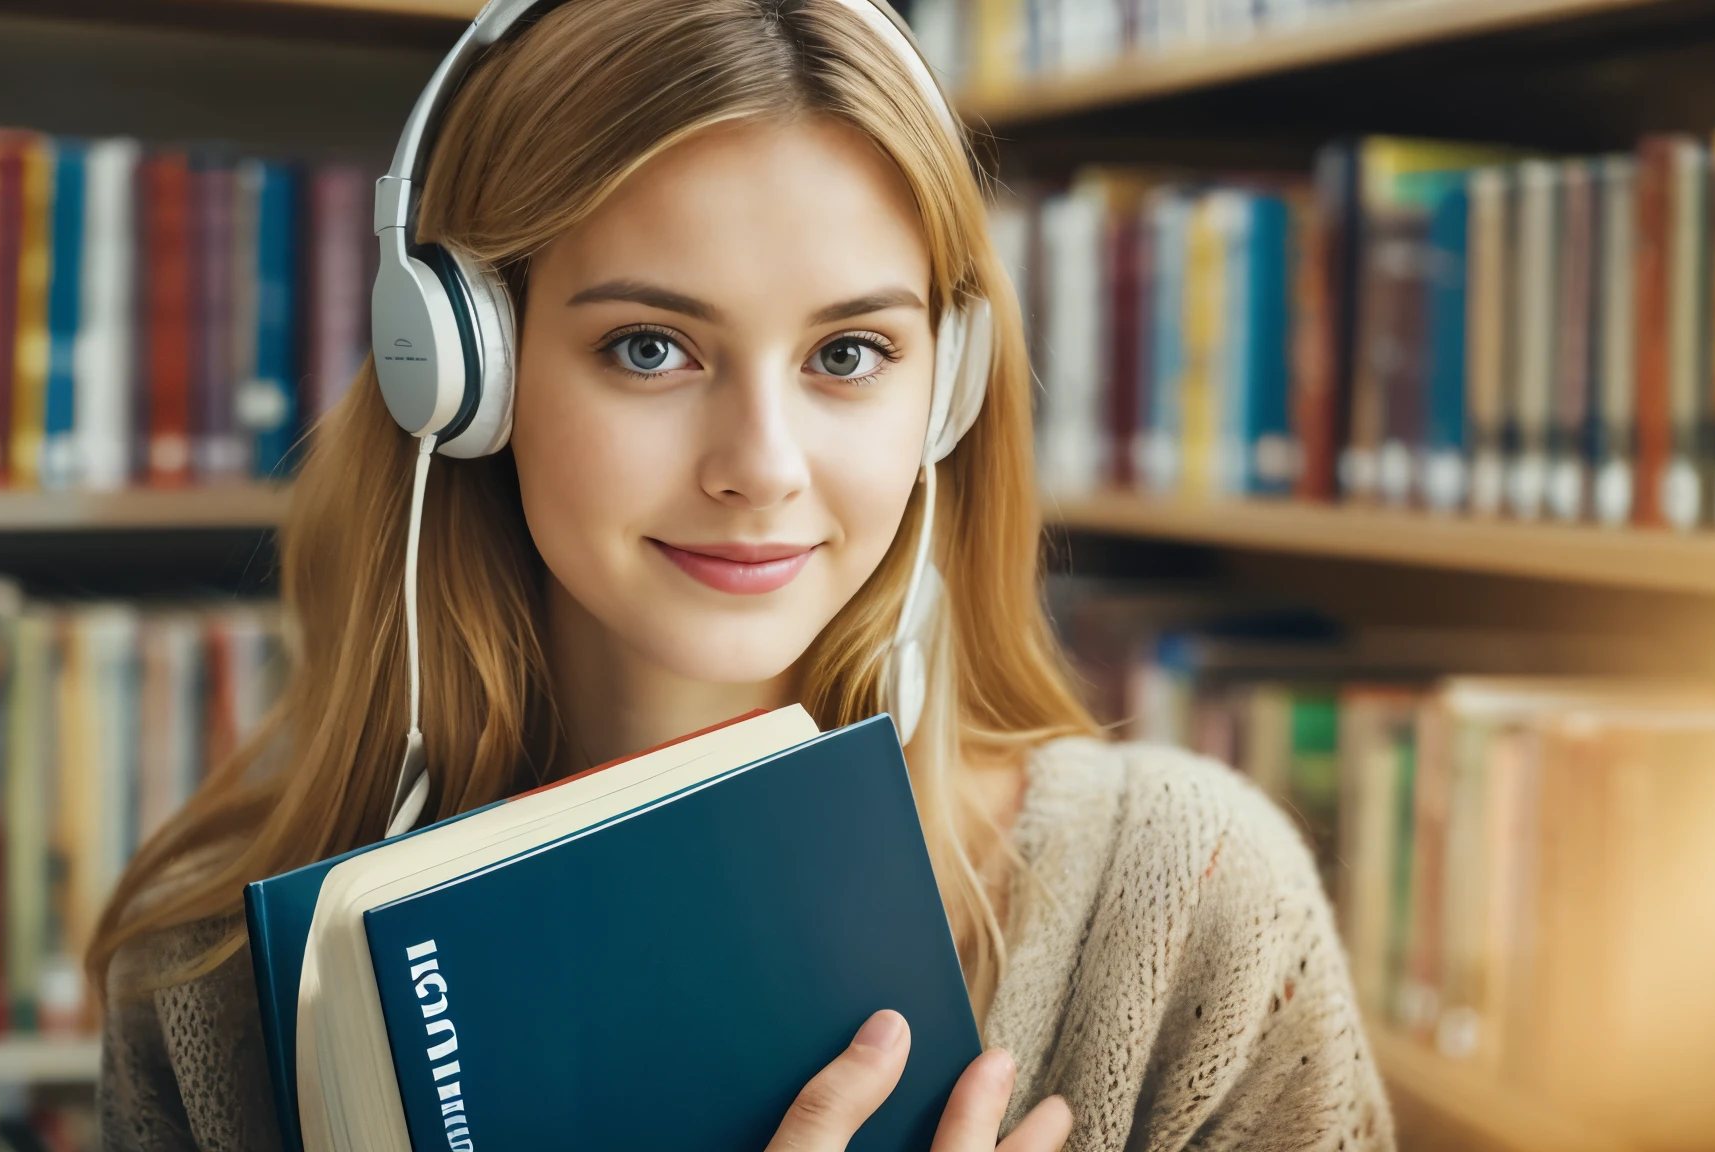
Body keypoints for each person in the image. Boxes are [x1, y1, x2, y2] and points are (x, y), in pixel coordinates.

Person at [89, 1, 1393, 1149]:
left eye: (848, 354)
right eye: (652, 348)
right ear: (464, 375)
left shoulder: (1193, 906)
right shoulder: (210, 992)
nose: (761, 469)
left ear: (945, 389)